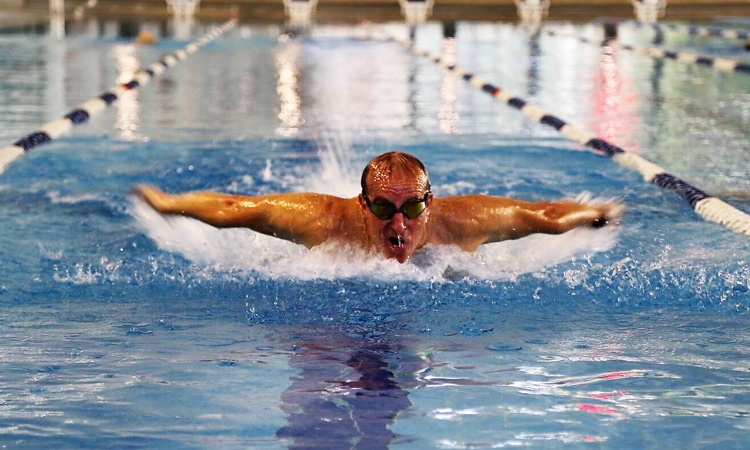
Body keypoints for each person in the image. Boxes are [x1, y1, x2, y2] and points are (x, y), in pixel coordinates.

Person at [134, 151, 622, 263]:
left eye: (412, 210)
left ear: (429, 204)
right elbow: (234, 207)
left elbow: (541, 216)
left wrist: (593, 214)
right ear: (361, 205)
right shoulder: (321, 220)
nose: (398, 224)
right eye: (384, 210)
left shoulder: (461, 223)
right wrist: (170, 204)